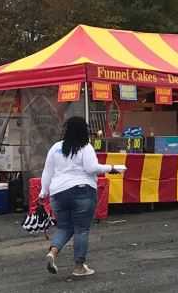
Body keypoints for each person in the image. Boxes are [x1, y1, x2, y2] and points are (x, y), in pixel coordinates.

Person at [39, 116, 118, 277]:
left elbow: (47, 172)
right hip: (82, 190)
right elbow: (91, 168)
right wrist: (112, 168)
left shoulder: (55, 148)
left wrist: (43, 191)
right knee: (81, 230)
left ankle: (52, 253)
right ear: (84, 131)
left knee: (64, 227)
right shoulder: (86, 147)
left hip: (58, 193)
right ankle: (79, 266)